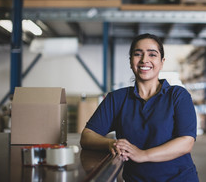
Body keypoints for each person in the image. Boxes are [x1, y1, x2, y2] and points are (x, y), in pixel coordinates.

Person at [80, 33, 199, 181]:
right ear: (131, 61)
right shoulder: (116, 99)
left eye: (152, 54)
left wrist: (143, 155)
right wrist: (111, 143)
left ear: (162, 62)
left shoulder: (177, 95)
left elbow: (186, 142)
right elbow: (87, 136)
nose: (144, 60)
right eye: (138, 54)